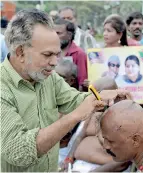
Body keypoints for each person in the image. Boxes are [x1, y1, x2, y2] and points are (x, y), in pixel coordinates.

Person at [0, 9, 114, 172]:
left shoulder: (47, 77)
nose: (55, 62)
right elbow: (19, 151)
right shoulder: (2, 88)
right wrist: (74, 117)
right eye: (47, 55)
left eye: (57, 54)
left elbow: (74, 100)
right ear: (20, 52)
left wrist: (102, 97)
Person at [54, 17, 88, 91]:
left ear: (69, 35)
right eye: (53, 33)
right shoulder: (50, 52)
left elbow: (82, 83)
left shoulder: (80, 54)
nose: (55, 36)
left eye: (58, 33)